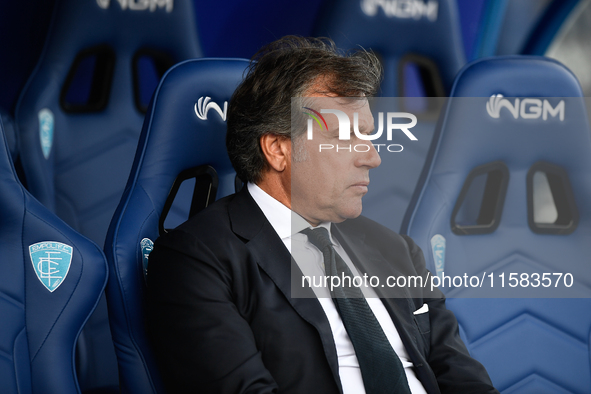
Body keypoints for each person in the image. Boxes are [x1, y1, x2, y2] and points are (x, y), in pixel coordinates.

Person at [146, 36, 498, 393]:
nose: (372, 157)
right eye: (346, 137)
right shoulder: (197, 259)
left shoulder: (398, 252)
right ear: (279, 149)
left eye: (368, 136)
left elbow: (463, 378)